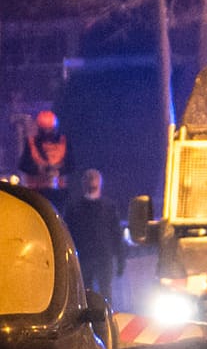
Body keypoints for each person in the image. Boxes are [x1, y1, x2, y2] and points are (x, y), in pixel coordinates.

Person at [60, 169, 126, 300]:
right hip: (85, 258)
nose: (91, 181)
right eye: (89, 178)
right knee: (86, 293)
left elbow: (116, 234)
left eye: (93, 178)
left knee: (104, 292)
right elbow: (66, 235)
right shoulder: (74, 207)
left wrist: (120, 259)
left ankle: (105, 317)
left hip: (102, 258)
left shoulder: (108, 207)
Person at [18, 110, 72, 201]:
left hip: (58, 191)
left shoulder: (64, 142)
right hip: (36, 191)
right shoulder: (31, 143)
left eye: (50, 130)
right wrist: (39, 169)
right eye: (45, 130)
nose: (48, 134)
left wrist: (58, 172)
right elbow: (23, 165)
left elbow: (71, 165)